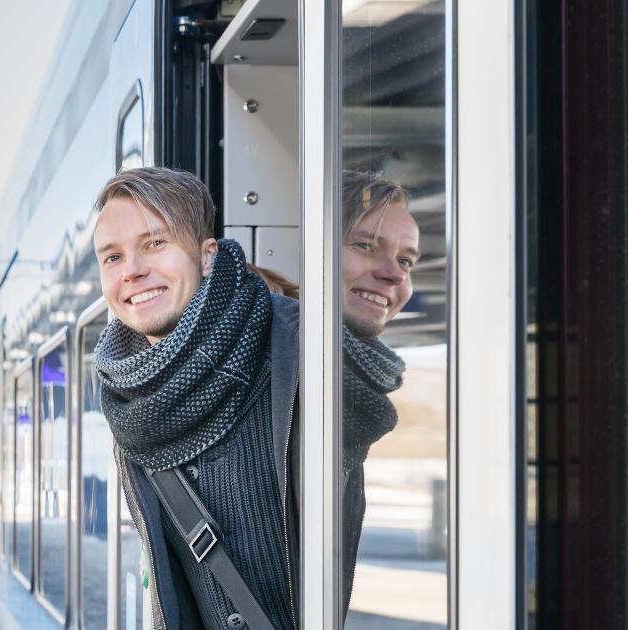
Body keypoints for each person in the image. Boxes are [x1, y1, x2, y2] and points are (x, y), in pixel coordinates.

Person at [91, 167, 418, 629]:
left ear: (207, 257)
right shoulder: (128, 392)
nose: (132, 271)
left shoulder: (299, 350)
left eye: (155, 243)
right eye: (112, 257)